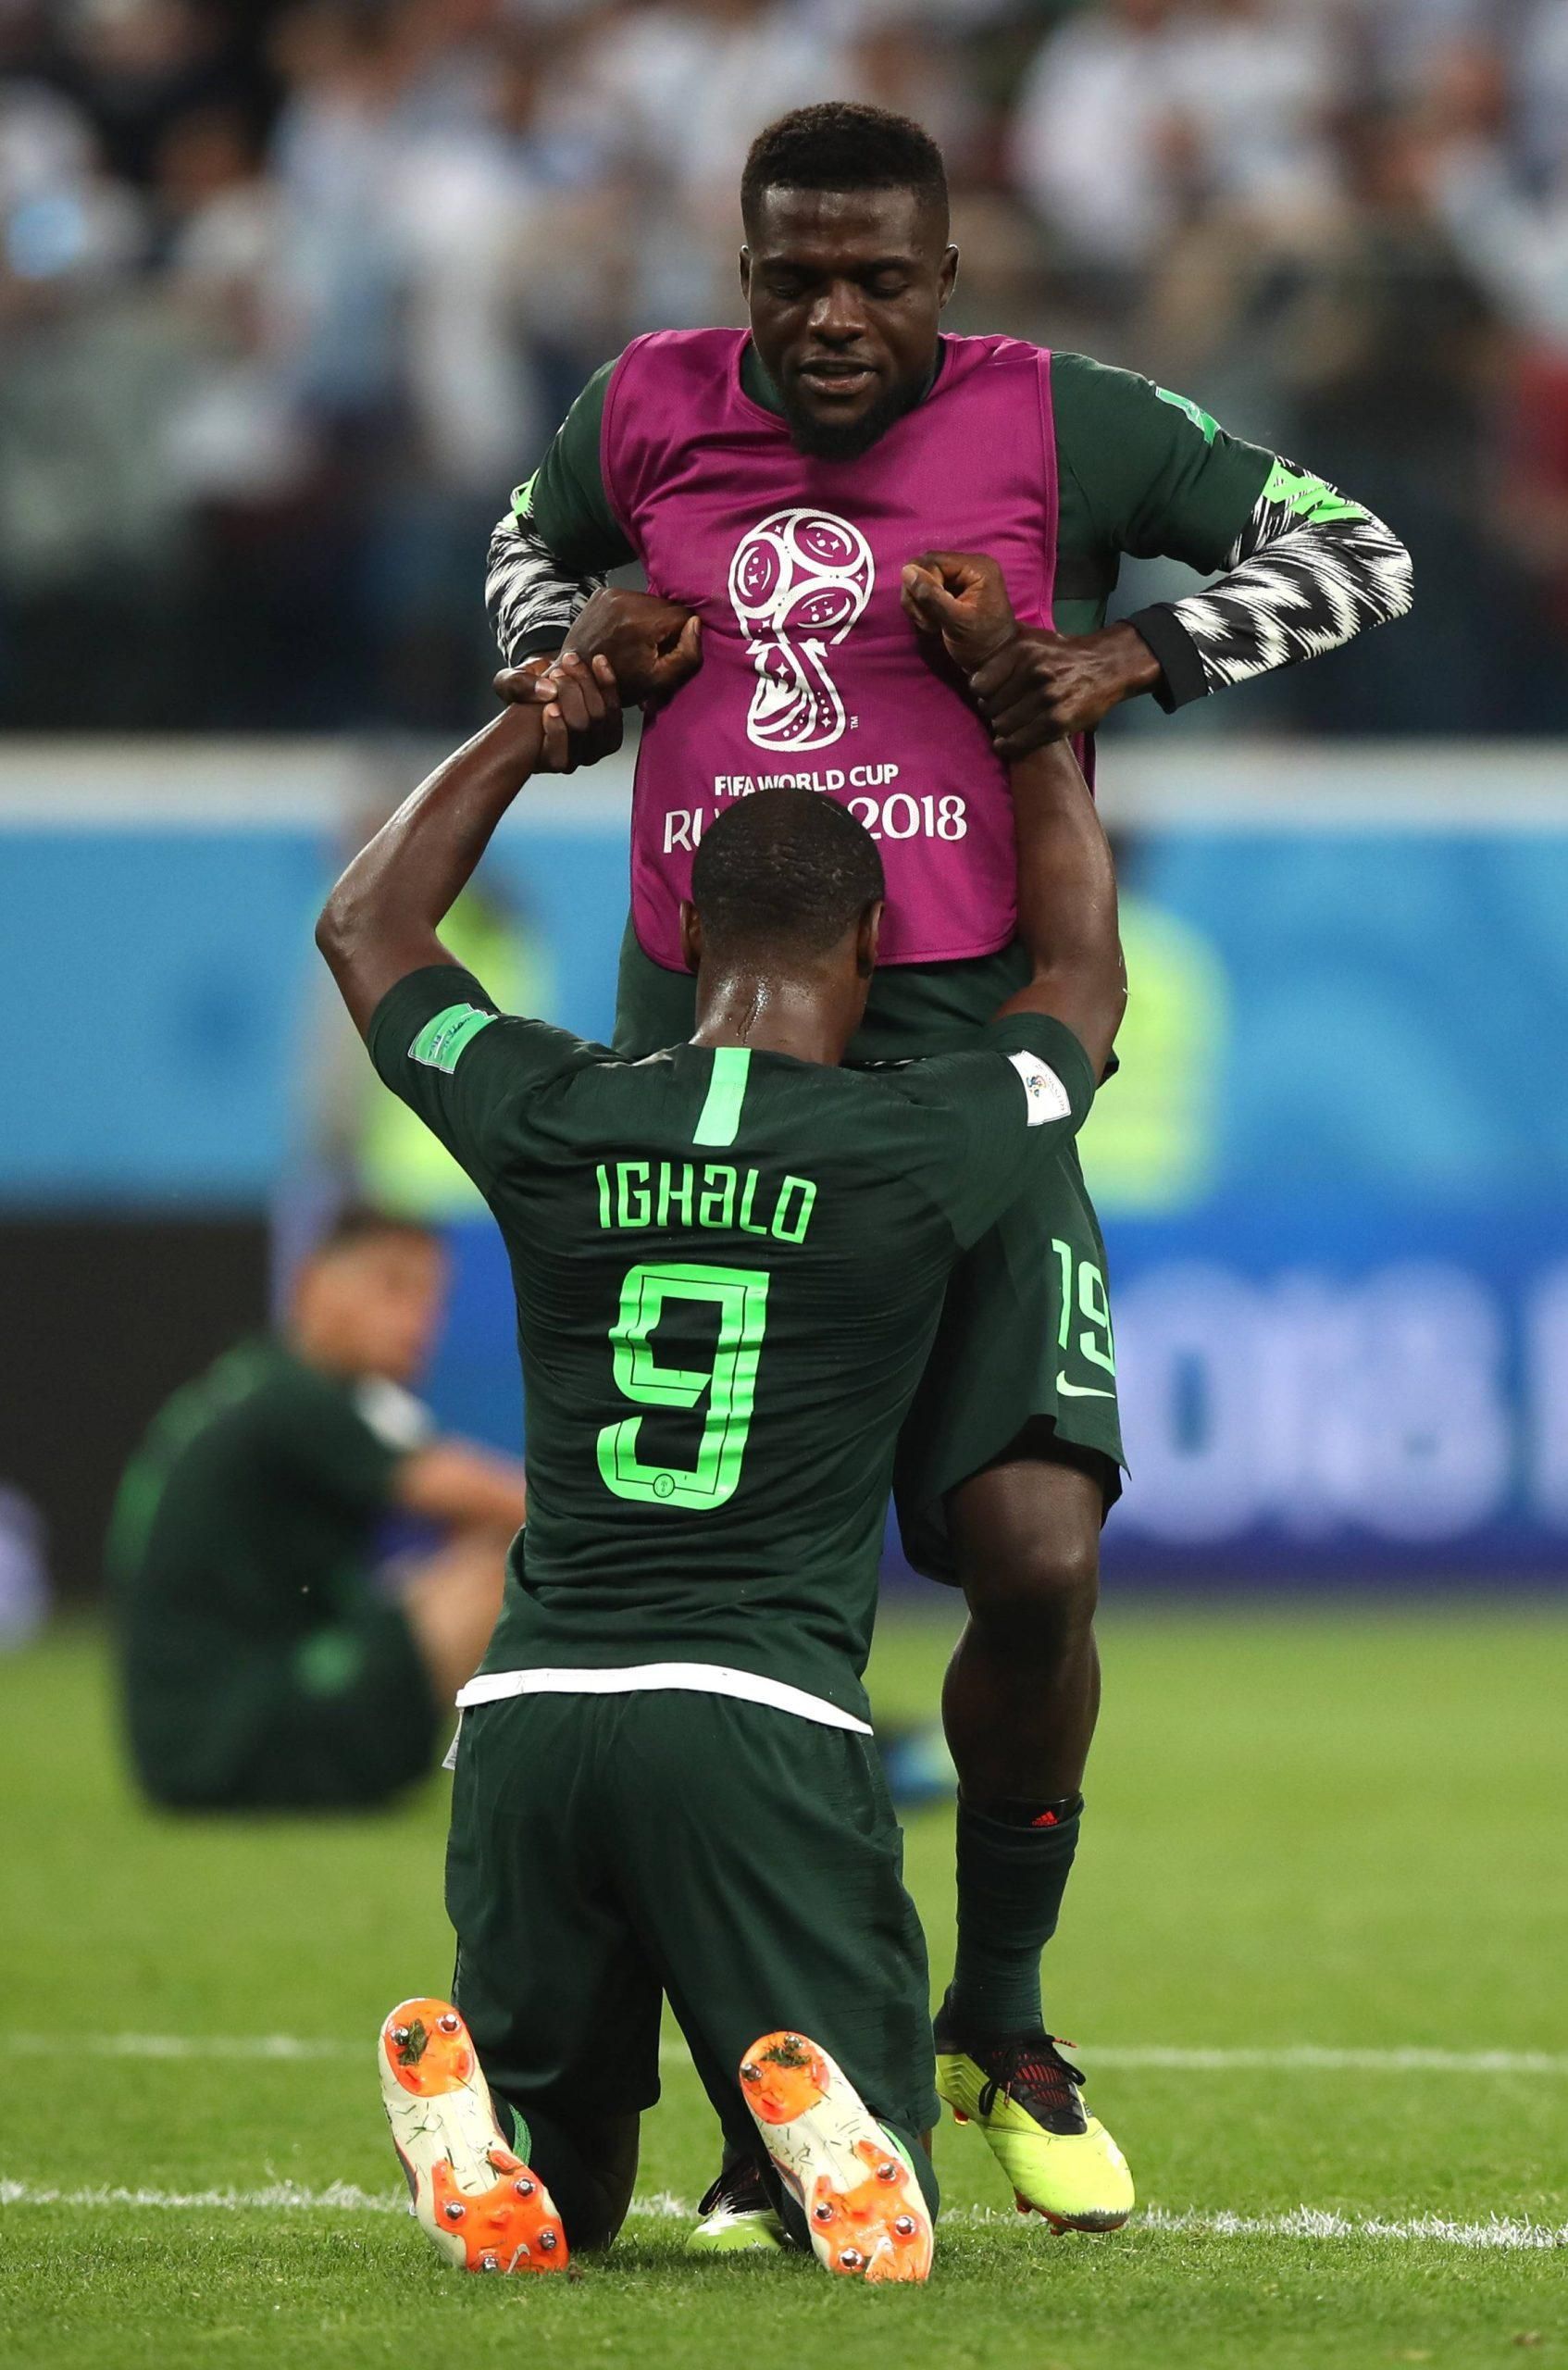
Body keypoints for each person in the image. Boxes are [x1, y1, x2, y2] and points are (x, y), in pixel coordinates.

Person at [482, 99, 1414, 2236]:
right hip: (704, 1077)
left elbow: (1365, 553)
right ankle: (743, 2083)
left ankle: (999, 2009)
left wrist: (1137, 652)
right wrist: (574, 644)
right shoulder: (638, 404)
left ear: (949, 274)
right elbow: (521, 563)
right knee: (722, 1611)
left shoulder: (1070, 425)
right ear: (740, 264)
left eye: (875, 277)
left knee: (1038, 1555)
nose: (828, 314)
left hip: (972, 1068)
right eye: (789, 273)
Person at [315, 550, 1127, 2281]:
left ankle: (507, 2124)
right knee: (878, 2192)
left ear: (673, 935)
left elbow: (366, 928)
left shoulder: (552, 1107)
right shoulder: (915, 1143)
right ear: (874, 943)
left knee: (577, 2208)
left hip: (526, 1714)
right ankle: (820, 2115)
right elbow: (1079, 988)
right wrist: (1028, 720)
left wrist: (539, 717)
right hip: (756, 1714)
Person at [110, 1207, 527, 1812]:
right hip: (236, 1736)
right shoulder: (300, 1400)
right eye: (392, 1287)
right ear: (312, 1285)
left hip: (189, 1736)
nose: (418, 1321)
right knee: (506, 1568)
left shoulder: (257, 1382)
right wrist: (640, 1517)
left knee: (481, 1561)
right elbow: (479, 1494)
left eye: (432, 1299)